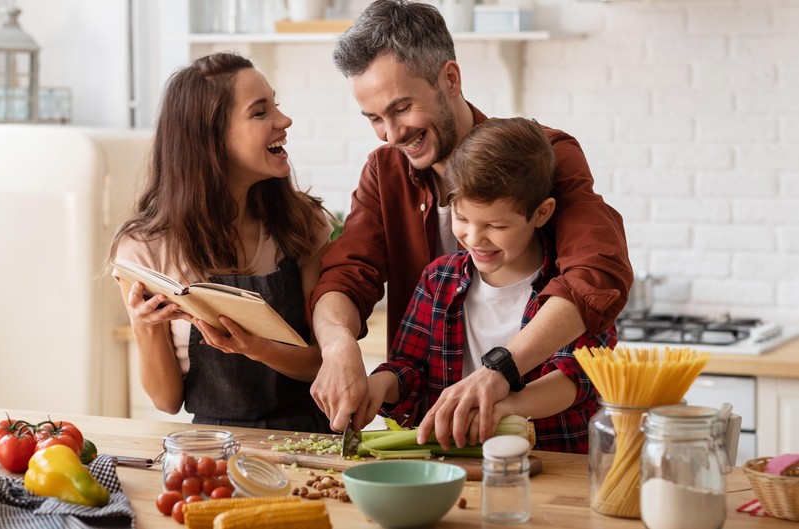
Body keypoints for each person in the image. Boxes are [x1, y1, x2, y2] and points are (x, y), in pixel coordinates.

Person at [307, 0, 633, 448]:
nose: (391, 133)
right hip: (440, 448)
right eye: (374, 119)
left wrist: (499, 373)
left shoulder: (544, 155)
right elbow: (346, 276)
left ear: (450, 78)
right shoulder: (385, 171)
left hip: (549, 445)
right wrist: (339, 344)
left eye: (401, 108)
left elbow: (596, 273)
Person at [109, 52, 334, 433]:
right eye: (260, 112)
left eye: (275, 105)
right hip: (213, 447)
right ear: (211, 137)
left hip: (308, 438)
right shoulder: (143, 251)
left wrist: (255, 347)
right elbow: (166, 400)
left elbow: (323, 363)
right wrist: (144, 326)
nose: (284, 120)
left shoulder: (302, 225)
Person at [367, 118, 617, 453]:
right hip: (460, 468)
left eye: (496, 225)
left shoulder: (570, 288)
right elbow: (409, 369)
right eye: (462, 218)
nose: (473, 238)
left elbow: (579, 377)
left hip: (556, 464)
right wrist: (378, 385)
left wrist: (505, 407)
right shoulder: (438, 279)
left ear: (541, 213)